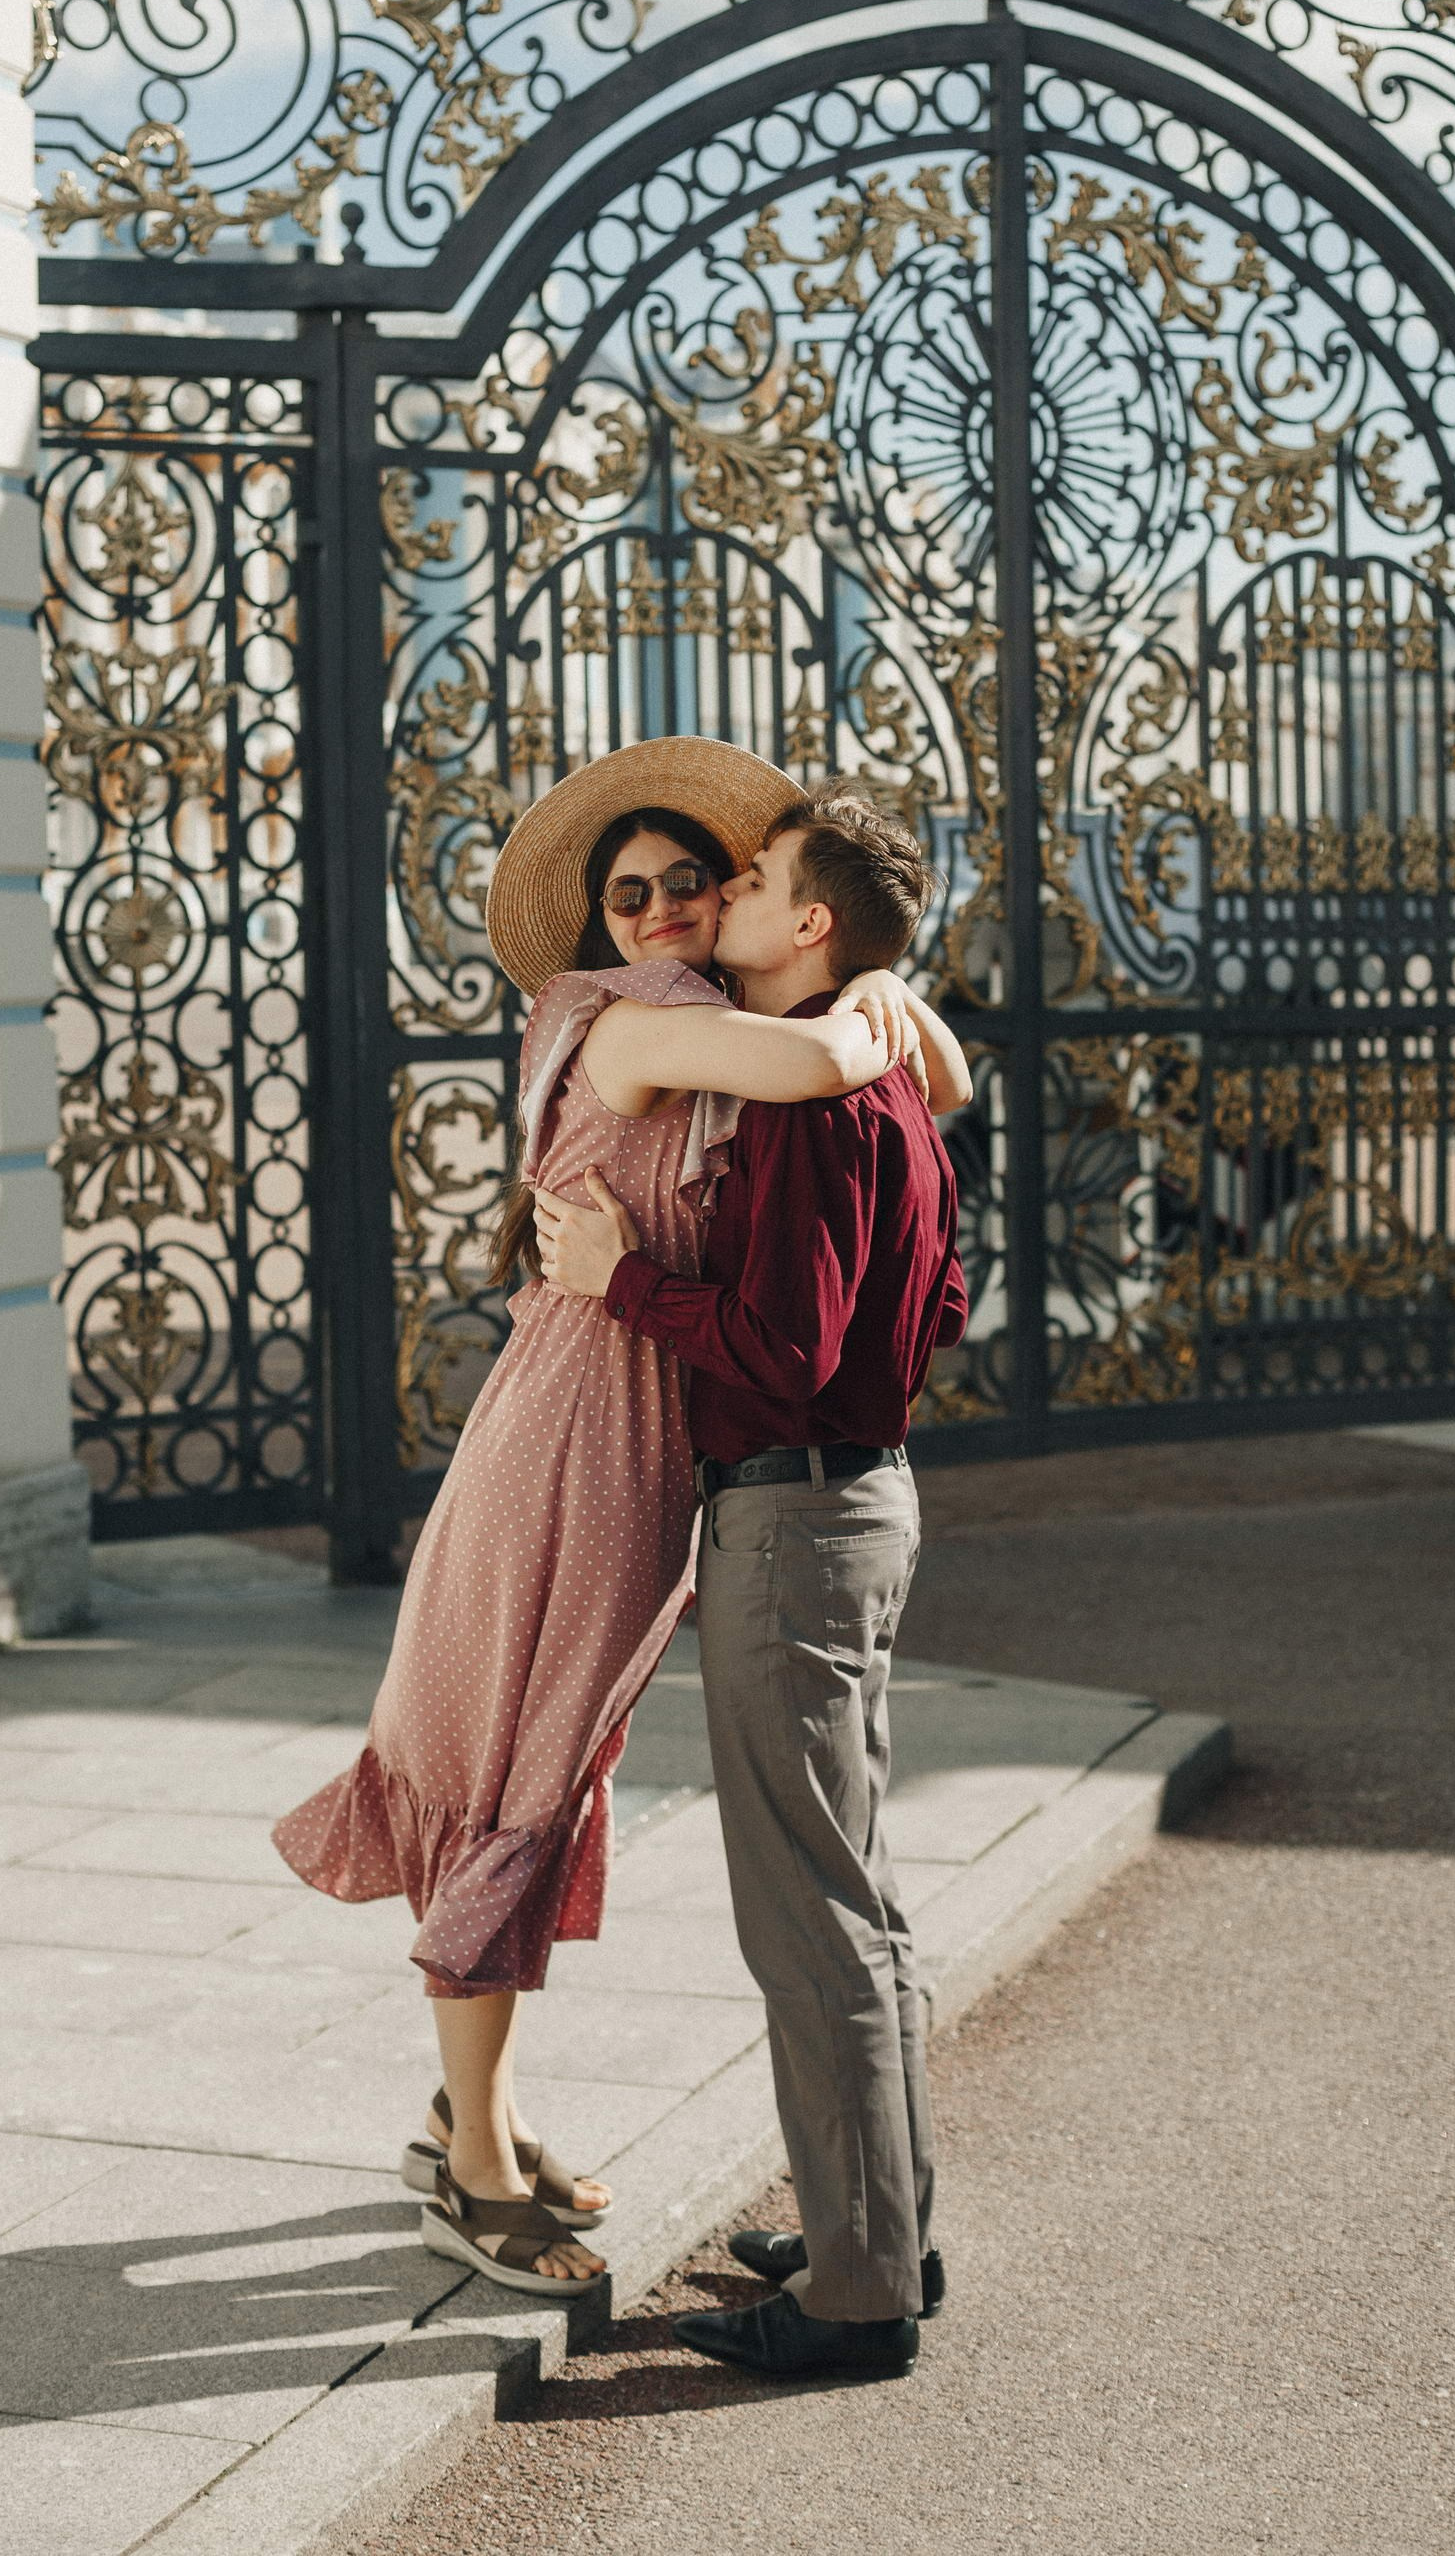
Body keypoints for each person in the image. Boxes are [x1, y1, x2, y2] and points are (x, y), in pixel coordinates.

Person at [270, 739, 969, 2300]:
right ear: (602, 924)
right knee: (516, 1753)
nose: (660, 908)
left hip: (648, 1419)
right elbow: (836, 1071)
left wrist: (870, 995)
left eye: (691, 883)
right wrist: (869, 1000)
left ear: (742, 899)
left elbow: (937, 1083)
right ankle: (471, 2161)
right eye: (628, 892)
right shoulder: (650, 1016)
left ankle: (483, 2111)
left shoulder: (713, 1015)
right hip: (588, 1419)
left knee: (553, 1752)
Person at [537, 781, 967, 2383]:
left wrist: (622, 1280)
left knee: (811, 1922)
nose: (711, 904)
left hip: (792, 1519)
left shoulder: (814, 1105)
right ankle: (882, 2223)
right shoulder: (887, 1083)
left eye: (752, 880)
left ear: (813, 924)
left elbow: (783, 1348)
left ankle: (859, 2300)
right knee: (852, 1900)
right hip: (860, 1502)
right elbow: (944, 1297)